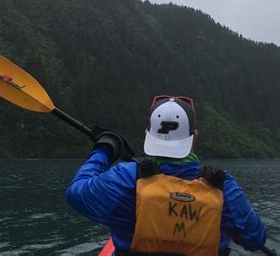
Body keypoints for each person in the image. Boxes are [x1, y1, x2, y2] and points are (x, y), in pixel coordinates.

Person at [66, 95, 267, 255]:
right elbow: (256, 239)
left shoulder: (124, 179)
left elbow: (76, 192)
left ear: (147, 135)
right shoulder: (224, 188)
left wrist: (104, 149)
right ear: (194, 137)